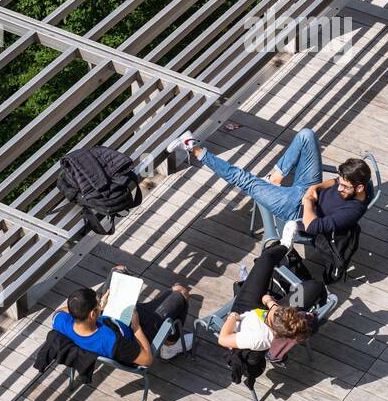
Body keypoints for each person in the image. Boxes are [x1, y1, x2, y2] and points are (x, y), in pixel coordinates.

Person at [173, 128, 370, 247]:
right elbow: (334, 182)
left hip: (295, 209)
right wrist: (315, 188)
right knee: (306, 136)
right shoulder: (351, 183)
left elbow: (313, 227)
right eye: (341, 182)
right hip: (308, 189)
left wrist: (309, 200)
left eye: (345, 187)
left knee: (243, 179)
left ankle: (193, 148)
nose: (339, 188)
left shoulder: (352, 211)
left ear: (359, 188)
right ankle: (275, 177)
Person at [52, 267, 192, 367]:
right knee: (181, 292)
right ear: (92, 314)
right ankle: (169, 347)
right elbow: (147, 360)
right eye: (97, 303)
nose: (100, 302)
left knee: (118, 270)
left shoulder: (61, 322)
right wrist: (136, 327)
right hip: (136, 334)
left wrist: (101, 307)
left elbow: (59, 311)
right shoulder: (110, 340)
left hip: (110, 319)